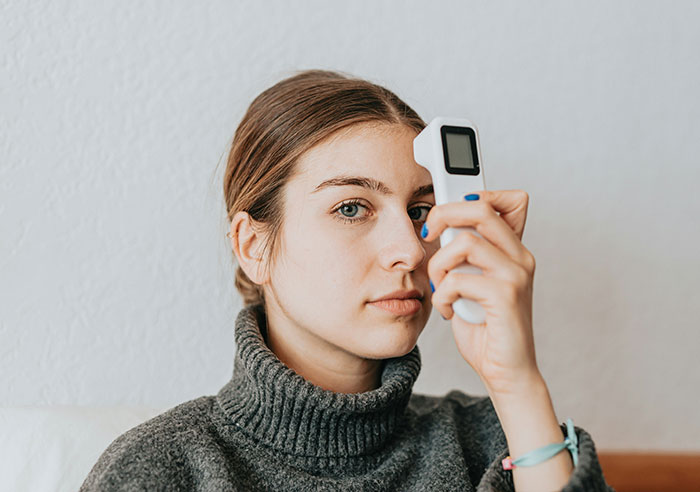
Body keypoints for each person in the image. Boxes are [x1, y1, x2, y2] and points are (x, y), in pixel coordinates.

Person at [80, 69, 614, 491]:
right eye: (352, 207)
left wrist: (515, 381)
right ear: (251, 246)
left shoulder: (499, 445)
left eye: (422, 210)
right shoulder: (163, 469)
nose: (409, 249)